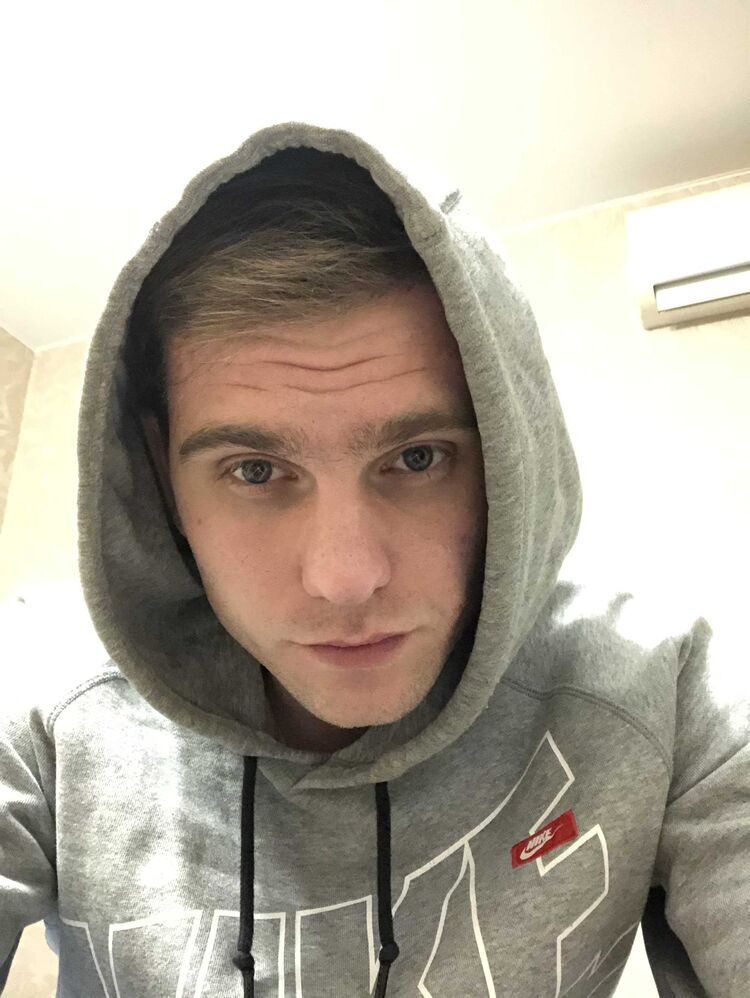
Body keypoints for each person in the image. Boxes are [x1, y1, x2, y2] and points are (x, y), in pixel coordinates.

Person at [0, 121, 747, 998]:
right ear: (164, 481)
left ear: (507, 463)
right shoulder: (45, 705)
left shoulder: (664, 690)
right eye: (255, 471)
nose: (345, 577)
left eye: (418, 458)